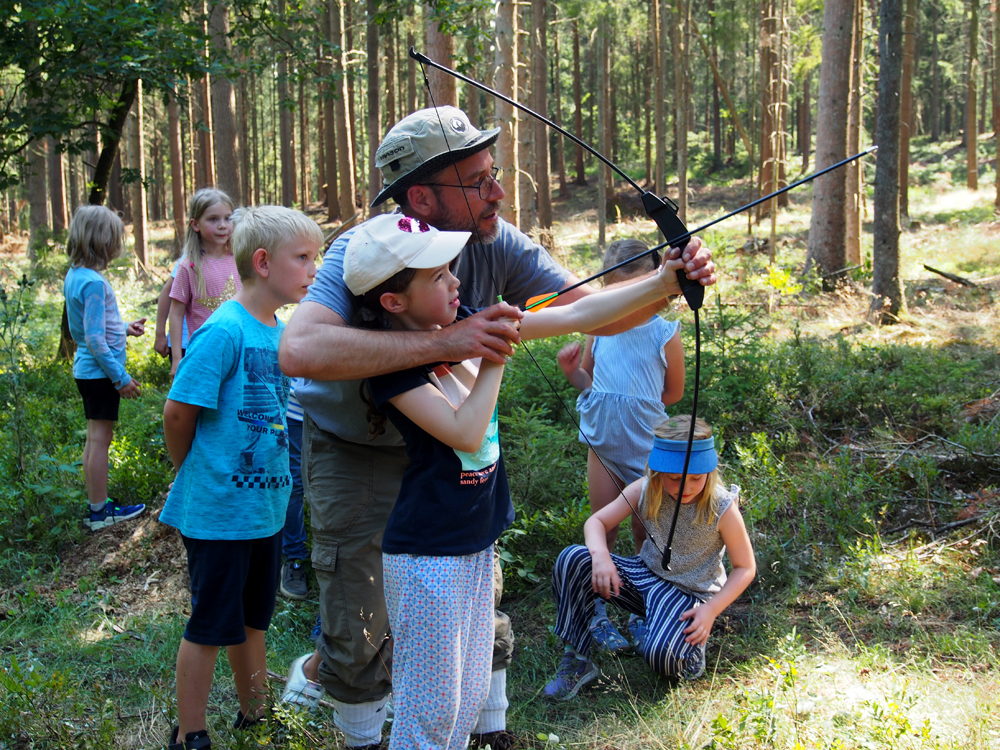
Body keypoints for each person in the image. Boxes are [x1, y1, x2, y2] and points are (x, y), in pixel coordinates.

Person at [278, 106, 717, 750]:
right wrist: (453, 343)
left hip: (454, 457)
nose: (499, 193)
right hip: (360, 450)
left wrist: (666, 282)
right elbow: (301, 351)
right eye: (478, 180)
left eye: (495, 174)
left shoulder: (492, 242)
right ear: (422, 195)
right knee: (360, 618)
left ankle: (487, 731)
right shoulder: (369, 252)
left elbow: (588, 313)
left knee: (474, 599)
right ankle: (363, 732)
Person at [344, 212, 687, 748]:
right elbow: (464, 429)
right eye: (437, 277)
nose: (456, 282)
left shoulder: (470, 325)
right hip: (426, 557)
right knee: (430, 706)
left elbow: (586, 311)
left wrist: (664, 282)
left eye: (451, 271)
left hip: (475, 544)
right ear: (394, 302)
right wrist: (495, 354)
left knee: (466, 692)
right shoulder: (396, 369)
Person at [160, 206, 322, 750]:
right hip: (218, 513)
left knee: (255, 619)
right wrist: (194, 474)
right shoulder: (224, 331)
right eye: (302, 258)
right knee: (211, 624)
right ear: (262, 262)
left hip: (267, 510)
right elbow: (178, 413)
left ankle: (256, 713)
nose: (313, 269)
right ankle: (190, 733)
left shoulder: (281, 331)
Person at [543, 415, 756, 700]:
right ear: (658, 471)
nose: (687, 487)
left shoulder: (721, 506)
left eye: (696, 478)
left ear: (709, 471)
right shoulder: (645, 489)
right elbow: (596, 523)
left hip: (689, 594)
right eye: (675, 478)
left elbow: (745, 567)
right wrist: (601, 557)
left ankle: (686, 653)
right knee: (573, 558)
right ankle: (578, 659)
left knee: (662, 658)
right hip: (644, 576)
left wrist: (712, 609)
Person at [556, 238, 685, 653]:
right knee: (604, 525)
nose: (624, 304)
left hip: (647, 446)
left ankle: (641, 609)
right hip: (603, 443)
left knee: (646, 531)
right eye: (615, 294)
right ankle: (597, 616)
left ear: (652, 283)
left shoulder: (664, 331)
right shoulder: (600, 329)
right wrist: (573, 371)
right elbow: (588, 382)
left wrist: (634, 403)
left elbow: (673, 393)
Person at [63, 205, 147, 531]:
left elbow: (89, 329)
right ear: (103, 242)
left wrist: (124, 327)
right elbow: (96, 341)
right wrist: (121, 378)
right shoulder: (94, 284)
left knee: (94, 438)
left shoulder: (75, 276)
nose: (117, 246)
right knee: (100, 439)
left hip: (86, 371)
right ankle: (100, 511)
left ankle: (95, 505)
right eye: (115, 240)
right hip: (99, 374)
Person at [168, 188, 239, 379]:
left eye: (227, 218)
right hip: (203, 354)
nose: (223, 225)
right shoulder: (189, 266)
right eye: (213, 219)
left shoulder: (241, 259)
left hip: (239, 351)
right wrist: (176, 358)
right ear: (195, 224)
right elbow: (175, 313)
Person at [278, 378, 309, 600]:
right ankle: (295, 558)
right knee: (293, 485)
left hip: (340, 413)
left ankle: (338, 565)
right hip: (294, 411)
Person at [153, 260, 190, 361]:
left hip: (221, 340)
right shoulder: (190, 258)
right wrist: (160, 334)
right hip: (184, 343)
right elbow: (168, 291)